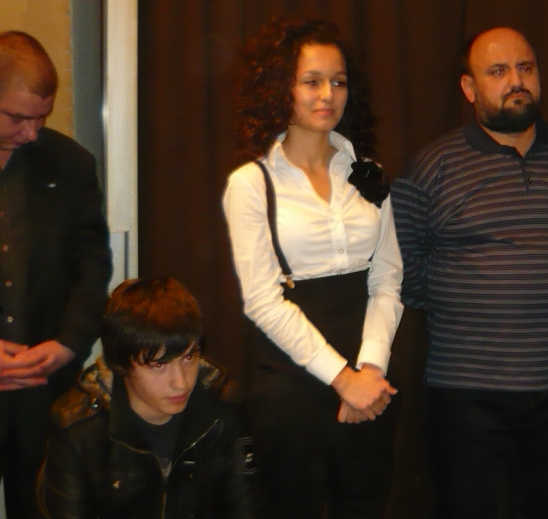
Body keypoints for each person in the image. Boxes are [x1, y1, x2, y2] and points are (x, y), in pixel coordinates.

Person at [390, 27, 548, 519]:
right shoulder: (431, 169)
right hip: (466, 396)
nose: (516, 81)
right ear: (469, 88)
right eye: (498, 71)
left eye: (525, 68)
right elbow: (406, 274)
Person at [222, 16, 403, 519]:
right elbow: (262, 300)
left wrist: (370, 370)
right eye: (312, 81)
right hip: (293, 382)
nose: (328, 95)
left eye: (338, 82)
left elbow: (387, 277)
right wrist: (342, 379)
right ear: (281, 88)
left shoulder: (368, 172)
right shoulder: (251, 182)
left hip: (370, 377)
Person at [0, 31, 111, 519]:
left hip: (44, 394)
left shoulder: (71, 165)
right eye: (17, 118)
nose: (31, 133)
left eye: (41, 118)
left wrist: (68, 343)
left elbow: (92, 266)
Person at [37, 277, 258, 519]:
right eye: (158, 365)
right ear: (121, 365)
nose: (181, 382)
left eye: (188, 357)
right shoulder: (77, 426)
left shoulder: (225, 410)